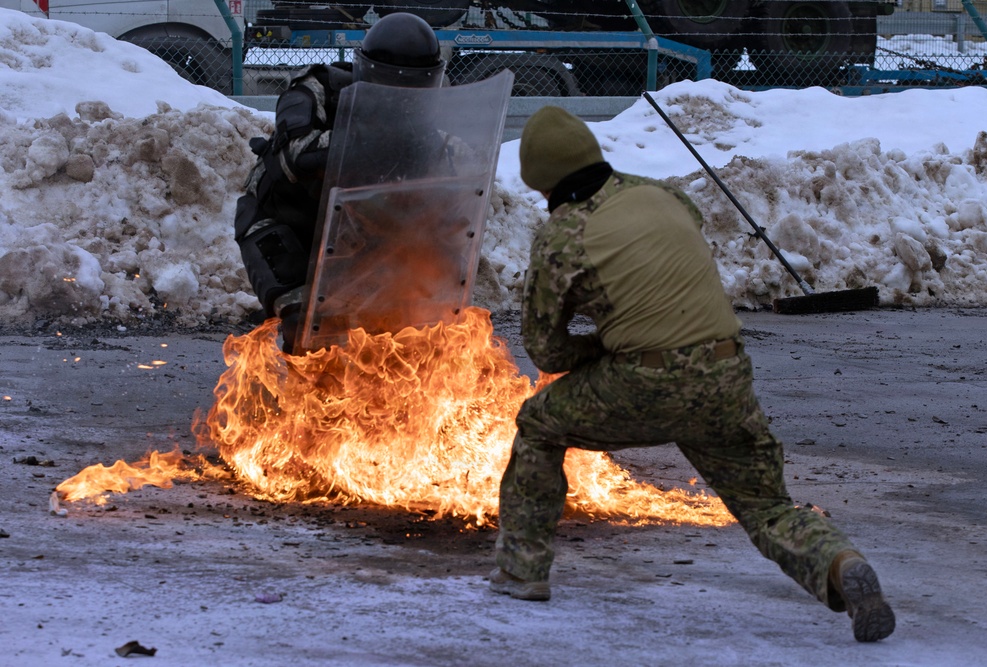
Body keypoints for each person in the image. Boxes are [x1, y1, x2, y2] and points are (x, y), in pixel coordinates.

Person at [489, 106, 896, 643]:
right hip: (726, 370)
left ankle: (522, 571)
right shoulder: (663, 195)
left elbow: (548, 351)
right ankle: (841, 564)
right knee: (765, 505)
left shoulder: (560, 236)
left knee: (539, 422)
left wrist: (603, 344)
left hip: (645, 381)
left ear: (541, 183)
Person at [233, 13, 447, 353]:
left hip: (348, 233)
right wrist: (376, 140)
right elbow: (295, 157)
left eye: (413, 88)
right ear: (368, 71)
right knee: (309, 326)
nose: (403, 98)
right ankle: (301, 398)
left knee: (404, 325)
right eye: (394, 84)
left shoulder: (419, 128)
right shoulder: (316, 90)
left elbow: (441, 197)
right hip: (283, 224)